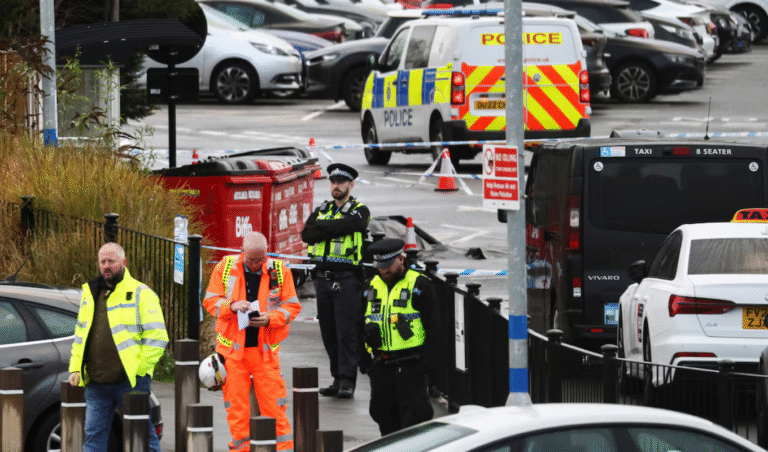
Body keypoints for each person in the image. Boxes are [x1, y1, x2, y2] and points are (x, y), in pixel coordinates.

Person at [203, 232, 302, 452]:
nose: (257, 264)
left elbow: (292, 306)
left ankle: (283, 449)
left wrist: (270, 319)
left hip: (264, 353)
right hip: (233, 354)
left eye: (261, 259)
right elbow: (210, 301)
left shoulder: (280, 270)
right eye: (253, 260)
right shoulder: (226, 267)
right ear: (243, 252)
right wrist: (232, 307)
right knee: (237, 412)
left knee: (275, 409)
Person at [68, 242, 168, 452]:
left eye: (111, 261)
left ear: (123, 262)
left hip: (130, 381)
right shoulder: (90, 293)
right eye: (102, 261)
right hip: (96, 382)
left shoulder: (141, 293)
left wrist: (139, 370)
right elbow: (81, 334)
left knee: (143, 436)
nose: (106, 266)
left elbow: (158, 337)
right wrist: (75, 368)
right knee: (93, 438)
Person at [302, 163, 370, 398]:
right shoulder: (322, 209)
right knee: (328, 332)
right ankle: (336, 377)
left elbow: (355, 224)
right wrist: (333, 227)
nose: (336, 186)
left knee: (347, 332)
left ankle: (348, 381)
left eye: (341, 183)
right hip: (322, 279)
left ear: (351, 185)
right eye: (333, 182)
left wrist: (325, 227)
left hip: (347, 280)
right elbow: (307, 234)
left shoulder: (360, 210)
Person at [358, 237, 438, 436]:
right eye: (380, 266)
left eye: (389, 265)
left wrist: (427, 365)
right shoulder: (370, 286)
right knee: (383, 417)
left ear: (401, 259)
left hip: (411, 366)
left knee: (415, 423)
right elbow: (359, 325)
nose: (384, 270)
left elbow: (434, 327)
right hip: (381, 366)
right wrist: (365, 362)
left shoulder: (419, 285)